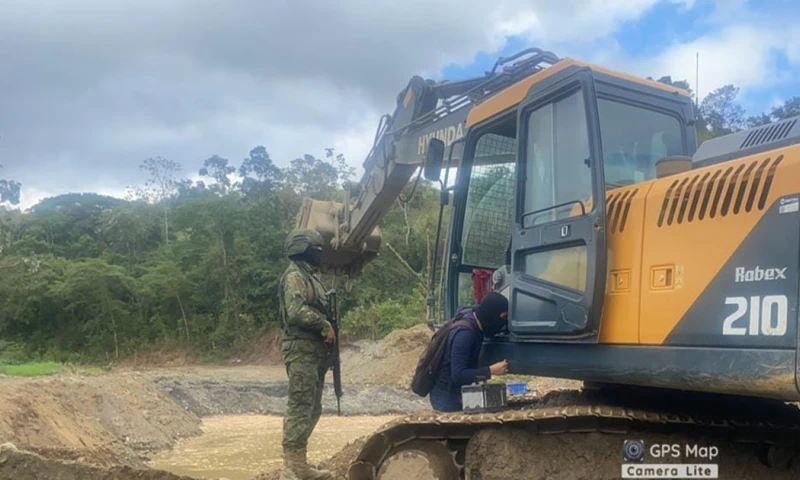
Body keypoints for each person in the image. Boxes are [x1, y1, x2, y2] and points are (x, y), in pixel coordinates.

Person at [279, 229, 336, 480]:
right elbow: (295, 311)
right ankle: (290, 467)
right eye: (316, 248)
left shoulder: (311, 277)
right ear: (303, 248)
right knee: (301, 405)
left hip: (314, 351)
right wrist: (324, 325)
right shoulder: (294, 276)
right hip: (300, 349)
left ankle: (299, 464)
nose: (320, 253)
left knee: (313, 407)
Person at [429, 292, 510, 412]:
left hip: (457, 392)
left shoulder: (476, 325)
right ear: (492, 315)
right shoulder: (464, 334)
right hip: (447, 397)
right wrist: (491, 370)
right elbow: (458, 374)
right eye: (503, 318)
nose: (503, 323)